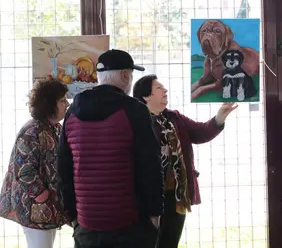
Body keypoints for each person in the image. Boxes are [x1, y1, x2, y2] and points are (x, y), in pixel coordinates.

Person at [57, 49, 164, 248]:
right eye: (131, 75)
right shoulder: (134, 110)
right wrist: (154, 213)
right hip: (130, 225)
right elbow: (150, 165)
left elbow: (64, 169)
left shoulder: (72, 113)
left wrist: (73, 215)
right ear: (125, 75)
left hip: (87, 225)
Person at [133, 74, 237, 248]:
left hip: (176, 194)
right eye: (159, 88)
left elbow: (201, 132)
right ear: (146, 96)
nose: (165, 90)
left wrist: (220, 117)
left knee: (170, 242)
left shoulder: (174, 118)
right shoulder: (137, 122)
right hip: (148, 195)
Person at [0, 79, 70, 248]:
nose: (67, 104)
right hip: (34, 206)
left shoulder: (54, 128)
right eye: (62, 100)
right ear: (49, 104)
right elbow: (24, 171)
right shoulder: (33, 131)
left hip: (45, 206)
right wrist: (41, 195)